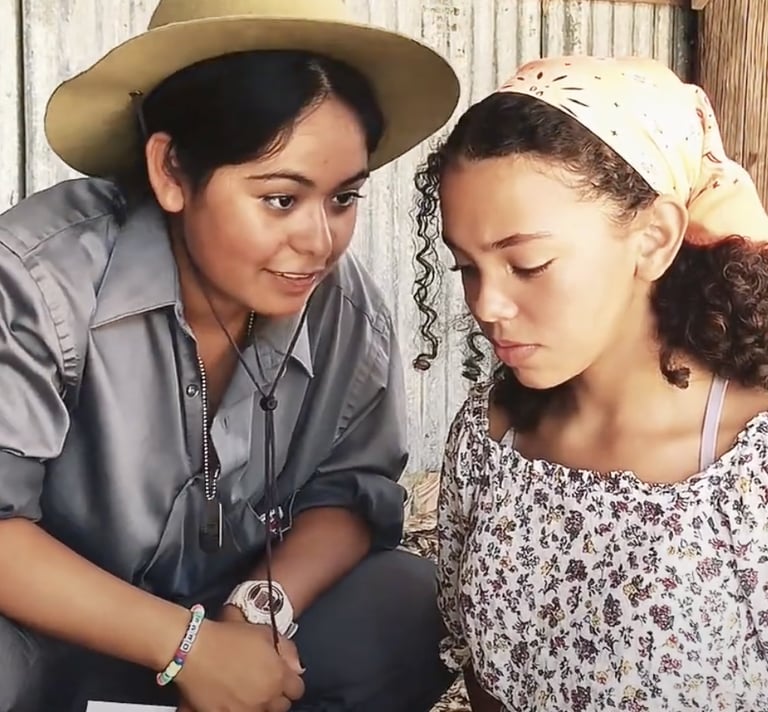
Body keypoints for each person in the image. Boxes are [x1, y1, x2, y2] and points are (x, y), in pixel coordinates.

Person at [0, 1, 461, 711]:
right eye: (280, 199)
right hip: (53, 639)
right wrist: (184, 647)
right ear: (171, 171)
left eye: (343, 198)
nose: (319, 241)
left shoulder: (344, 310)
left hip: (230, 621)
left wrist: (256, 612)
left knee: (406, 603)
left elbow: (348, 491)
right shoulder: (38, 281)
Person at [411, 55, 768, 711]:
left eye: (528, 264)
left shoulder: (749, 463)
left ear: (654, 238)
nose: (487, 305)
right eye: (466, 267)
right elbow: (478, 669)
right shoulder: (491, 437)